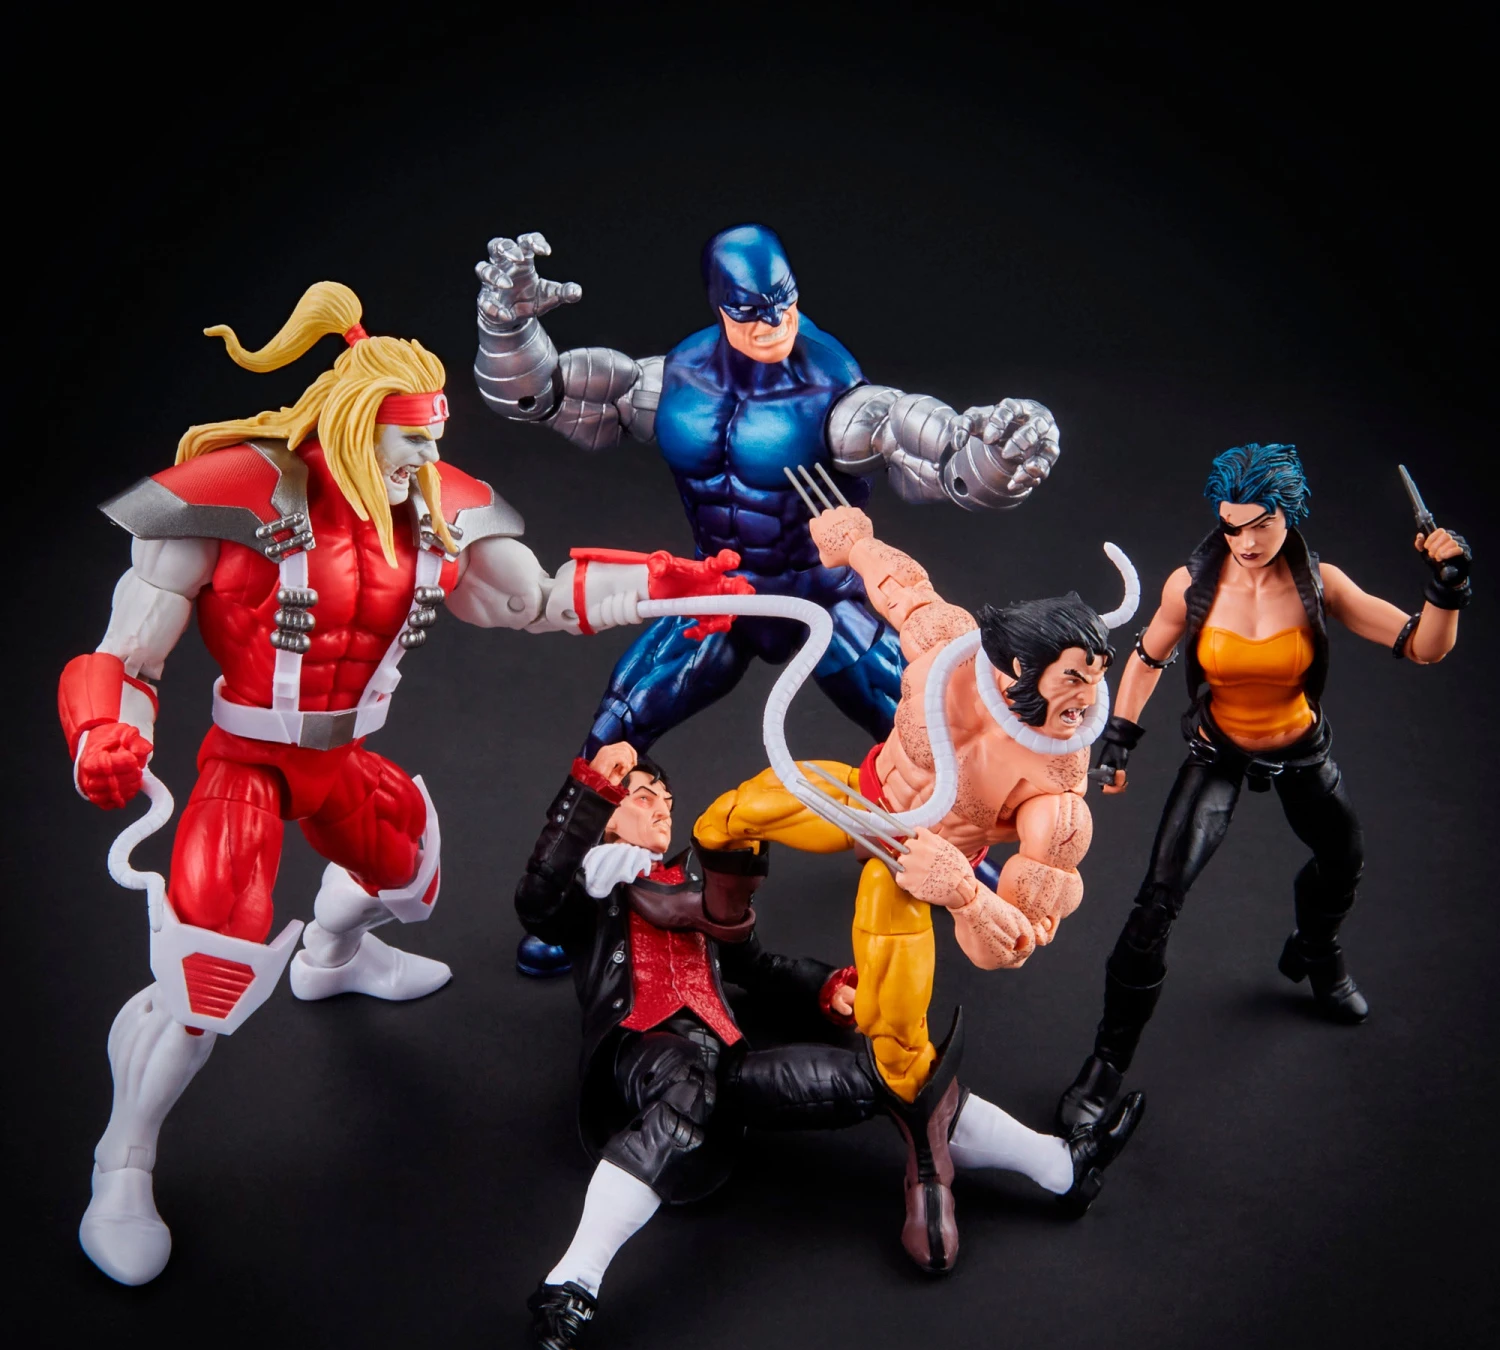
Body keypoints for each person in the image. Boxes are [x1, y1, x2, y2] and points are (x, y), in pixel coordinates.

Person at [58, 281, 745, 1286]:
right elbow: (128, 655)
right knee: (207, 975)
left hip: (342, 760)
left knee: (410, 872)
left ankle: (331, 957)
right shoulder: (230, 497)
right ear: (350, 423)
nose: (427, 457)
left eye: (435, 436)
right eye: (410, 437)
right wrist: (104, 736)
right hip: (246, 765)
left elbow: (534, 600)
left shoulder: (431, 506)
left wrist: (661, 585)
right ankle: (122, 1161)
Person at [473, 224, 1062, 974]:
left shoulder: (838, 395)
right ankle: (561, 905)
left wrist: (998, 456)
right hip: (722, 593)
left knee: (932, 737)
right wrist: (507, 326)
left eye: (783, 304)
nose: (771, 324)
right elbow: (542, 394)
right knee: (614, 729)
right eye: (750, 311)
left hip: (826, 602)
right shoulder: (673, 380)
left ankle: (968, 875)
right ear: (719, 306)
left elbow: (939, 455)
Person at [519, 743, 1144, 1350]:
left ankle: (1062, 1166)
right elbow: (537, 898)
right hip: (642, 1051)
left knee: (889, 1077)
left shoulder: (699, 885)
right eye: (642, 797)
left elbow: (756, 966)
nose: (662, 808)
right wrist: (590, 789)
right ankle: (570, 1285)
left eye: (667, 798)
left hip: (722, 1063)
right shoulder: (592, 890)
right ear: (608, 814)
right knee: (687, 1090)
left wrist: (824, 987)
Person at [694, 496, 1145, 1272]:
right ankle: (727, 944)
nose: (1086, 699)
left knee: (896, 1035)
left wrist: (961, 890)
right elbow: (903, 586)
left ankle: (929, 1168)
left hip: (918, 871)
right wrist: (853, 539)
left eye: (1095, 677)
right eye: (1074, 677)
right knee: (724, 820)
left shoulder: (1059, 797)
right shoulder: (952, 649)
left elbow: (1012, 946)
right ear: (1014, 669)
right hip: (863, 797)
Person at [1055, 443, 1470, 1133]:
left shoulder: (1321, 584)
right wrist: (1120, 736)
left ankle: (1316, 950)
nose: (1245, 542)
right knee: (1154, 907)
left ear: (1288, 514)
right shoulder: (1192, 584)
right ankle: (1106, 1061)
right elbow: (1149, 656)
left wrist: (1446, 591)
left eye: (1261, 525)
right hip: (1218, 751)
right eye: (1232, 526)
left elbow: (1423, 646)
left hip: (1301, 748)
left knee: (1343, 860)